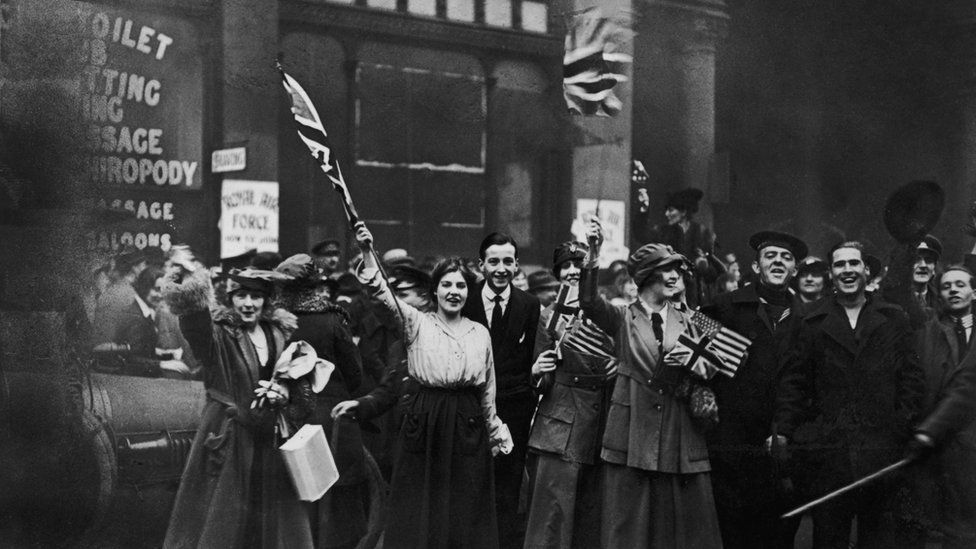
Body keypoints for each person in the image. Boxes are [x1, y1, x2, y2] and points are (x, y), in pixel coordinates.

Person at [333, 223, 513, 549]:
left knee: (464, 508)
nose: (453, 291)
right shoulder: (417, 324)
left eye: (460, 285)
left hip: (467, 426)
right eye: (446, 284)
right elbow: (381, 294)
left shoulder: (479, 334)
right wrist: (365, 251)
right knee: (421, 509)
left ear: (468, 292)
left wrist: (494, 432)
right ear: (436, 291)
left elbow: (487, 392)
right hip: (426, 422)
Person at [580, 218, 723, 548]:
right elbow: (589, 302)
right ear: (646, 276)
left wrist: (694, 374)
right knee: (630, 523)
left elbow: (719, 361)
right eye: (667, 269)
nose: (675, 275)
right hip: (632, 431)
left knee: (683, 527)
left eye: (677, 269)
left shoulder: (691, 316)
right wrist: (593, 251)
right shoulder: (622, 316)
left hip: (679, 430)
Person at [774, 241, 926, 549]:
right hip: (829, 456)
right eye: (840, 265)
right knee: (829, 537)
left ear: (866, 270)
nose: (847, 271)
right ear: (831, 273)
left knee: (879, 538)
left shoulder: (893, 318)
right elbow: (794, 383)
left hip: (881, 455)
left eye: (853, 264)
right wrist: (787, 432)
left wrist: (900, 428)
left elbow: (911, 379)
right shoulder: (809, 322)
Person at [162, 266, 317, 549]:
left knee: (269, 515)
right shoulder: (220, 334)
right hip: (230, 434)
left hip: (269, 436)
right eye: (241, 295)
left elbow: (295, 378)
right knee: (225, 518)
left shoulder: (277, 333)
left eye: (255, 296)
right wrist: (191, 298)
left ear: (266, 300)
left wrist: (285, 394)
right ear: (230, 298)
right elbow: (198, 334)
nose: (248, 303)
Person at [700, 230, 808, 548]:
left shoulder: (808, 319)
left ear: (795, 270)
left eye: (786, 257)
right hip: (733, 449)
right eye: (770, 256)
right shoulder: (724, 308)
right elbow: (690, 357)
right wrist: (701, 394)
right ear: (757, 266)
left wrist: (787, 431)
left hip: (785, 449)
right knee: (735, 535)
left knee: (780, 536)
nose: (778, 261)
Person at [523, 241, 616, 549]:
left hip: (602, 420)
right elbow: (539, 382)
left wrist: (620, 364)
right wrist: (539, 370)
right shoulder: (548, 316)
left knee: (592, 516)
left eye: (579, 264)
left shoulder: (609, 313)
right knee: (552, 517)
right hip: (560, 423)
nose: (574, 271)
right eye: (566, 266)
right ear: (558, 273)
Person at [274, 254, 368, 549]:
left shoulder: (275, 320)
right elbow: (355, 374)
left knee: (293, 507)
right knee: (338, 506)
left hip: (286, 420)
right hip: (331, 420)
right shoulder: (333, 318)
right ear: (315, 286)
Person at [460, 232, 540, 549]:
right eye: (493, 261)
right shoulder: (464, 300)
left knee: (507, 488)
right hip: (470, 408)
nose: (500, 268)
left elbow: (531, 358)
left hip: (514, 412)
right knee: (470, 483)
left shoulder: (529, 305)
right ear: (482, 265)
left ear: (517, 265)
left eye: (508, 261)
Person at [907, 265, 976, 549]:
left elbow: (969, 385)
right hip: (940, 451)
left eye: (960, 285)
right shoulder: (930, 329)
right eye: (947, 287)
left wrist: (928, 431)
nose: (954, 291)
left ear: (974, 291)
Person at [92, 265, 192, 378]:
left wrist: (166, 354)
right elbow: (131, 360)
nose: (161, 295)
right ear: (145, 288)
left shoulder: (143, 313)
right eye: (157, 290)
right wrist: (163, 364)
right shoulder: (136, 318)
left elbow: (139, 349)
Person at [637, 188, 724, 307]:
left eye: (671, 210)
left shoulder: (703, 234)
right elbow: (642, 234)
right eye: (666, 210)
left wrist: (703, 265)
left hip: (695, 296)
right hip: (668, 294)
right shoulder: (662, 232)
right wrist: (644, 208)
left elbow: (714, 273)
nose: (666, 214)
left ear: (683, 212)